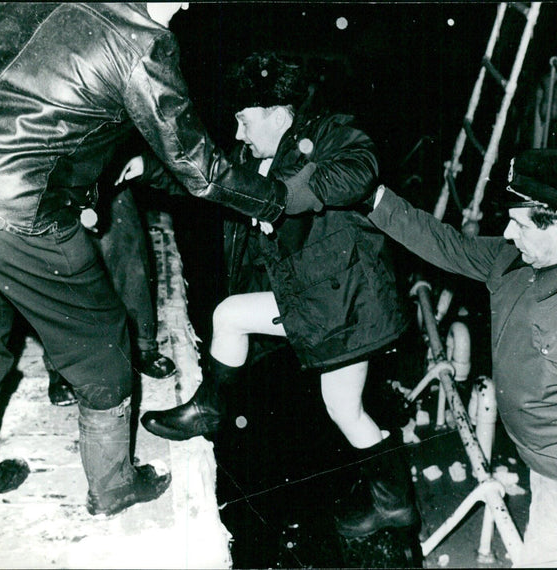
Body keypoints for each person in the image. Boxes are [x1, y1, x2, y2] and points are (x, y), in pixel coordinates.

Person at [0, 3, 294, 519]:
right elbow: (199, 168)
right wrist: (276, 200)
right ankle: (113, 487)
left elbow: (12, 91)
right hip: (12, 208)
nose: (190, 5)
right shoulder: (143, 42)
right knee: (103, 341)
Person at [138, 52, 419, 538]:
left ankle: (209, 408)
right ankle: (395, 505)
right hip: (324, 303)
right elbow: (209, 179)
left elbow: (360, 167)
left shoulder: (331, 134)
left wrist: (286, 196)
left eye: (245, 121)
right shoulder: (253, 157)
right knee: (344, 409)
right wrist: (148, 167)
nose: (239, 134)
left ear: (277, 111)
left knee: (229, 316)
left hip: (346, 303)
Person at [368, 148, 557, 568]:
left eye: (518, 223)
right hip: (547, 465)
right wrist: (373, 200)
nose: (508, 233)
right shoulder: (520, 259)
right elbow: (449, 245)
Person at [46, 169, 177, 407]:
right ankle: (61, 367)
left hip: (102, 168)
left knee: (127, 251)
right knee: (55, 267)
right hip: (47, 177)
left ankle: (141, 346)